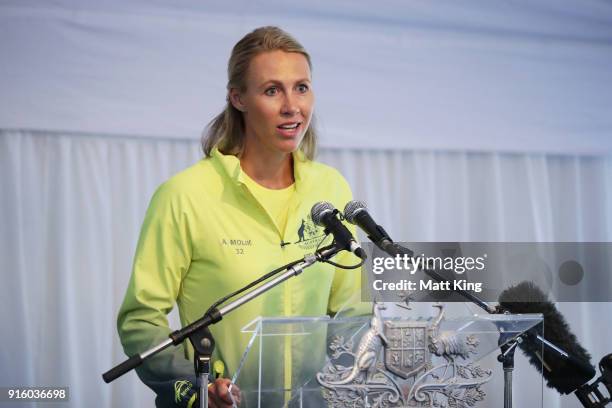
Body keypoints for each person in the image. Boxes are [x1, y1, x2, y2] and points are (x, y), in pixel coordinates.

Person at [117, 26, 365, 408]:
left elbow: (352, 309)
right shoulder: (184, 195)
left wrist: (361, 365)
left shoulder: (330, 189)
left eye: (301, 87)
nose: (292, 106)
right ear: (238, 98)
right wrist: (194, 390)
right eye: (272, 90)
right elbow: (142, 320)